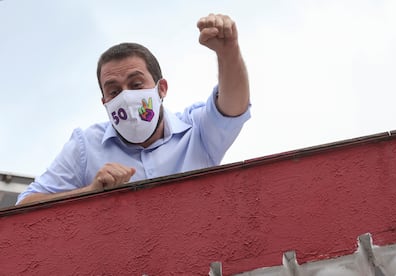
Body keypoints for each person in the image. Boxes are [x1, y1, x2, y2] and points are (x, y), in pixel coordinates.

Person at [16, 13, 250, 205]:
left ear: (162, 89)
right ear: (104, 103)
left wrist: (228, 51)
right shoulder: (85, 146)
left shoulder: (196, 130)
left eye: (137, 85)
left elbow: (234, 107)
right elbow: (25, 205)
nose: (126, 96)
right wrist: (90, 192)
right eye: (114, 91)